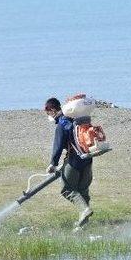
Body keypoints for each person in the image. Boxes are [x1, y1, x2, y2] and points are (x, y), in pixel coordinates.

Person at [44, 97, 94, 228]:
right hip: (88, 159)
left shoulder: (61, 125)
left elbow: (58, 146)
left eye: (48, 113)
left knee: (66, 189)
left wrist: (52, 164)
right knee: (83, 191)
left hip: (74, 161)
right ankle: (84, 225)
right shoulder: (75, 120)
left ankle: (85, 211)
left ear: (53, 110)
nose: (49, 116)